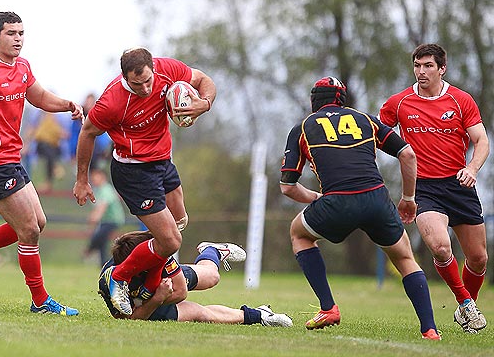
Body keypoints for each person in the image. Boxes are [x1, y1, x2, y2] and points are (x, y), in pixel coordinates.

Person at [280, 76, 440, 340]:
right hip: (376, 199)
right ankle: (430, 329)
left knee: (299, 233)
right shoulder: (365, 119)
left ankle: (328, 307)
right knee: (405, 259)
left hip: (337, 202)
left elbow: (287, 187)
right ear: (343, 99)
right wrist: (409, 198)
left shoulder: (304, 127)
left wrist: (317, 197)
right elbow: (408, 154)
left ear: (313, 100)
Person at [73, 47, 216, 315]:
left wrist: (204, 103)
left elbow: (203, 80)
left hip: (163, 161)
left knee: (178, 225)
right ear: (125, 77)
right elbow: (87, 132)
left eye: (148, 80)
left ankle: (150, 274)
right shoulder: (112, 101)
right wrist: (82, 180)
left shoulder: (168, 70)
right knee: (170, 241)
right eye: (136, 84)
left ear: (153, 68)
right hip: (133, 172)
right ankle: (118, 276)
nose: (145, 88)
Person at [0, 11, 83, 316]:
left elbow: (39, 96)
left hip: (12, 159)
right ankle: (40, 302)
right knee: (29, 230)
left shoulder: (23, 66)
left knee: (37, 223)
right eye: (11, 34)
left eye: (21, 33)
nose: (18, 39)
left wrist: (66, 104)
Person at [379, 43, 489, 334]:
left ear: (442, 68)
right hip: (424, 188)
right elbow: (377, 135)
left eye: (428, 65)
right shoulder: (399, 102)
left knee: (478, 259)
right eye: (417, 65)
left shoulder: (461, 99)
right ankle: (466, 303)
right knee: (440, 247)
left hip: (459, 185)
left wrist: (472, 169)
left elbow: (481, 141)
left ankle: (467, 306)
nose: (421, 71)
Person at [98, 231, 291, 326]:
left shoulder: (158, 253)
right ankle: (261, 315)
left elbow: (181, 291)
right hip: (149, 305)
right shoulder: (110, 282)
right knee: (200, 313)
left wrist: (161, 291)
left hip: (166, 285)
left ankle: (211, 250)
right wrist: (157, 298)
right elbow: (130, 318)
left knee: (212, 277)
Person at [82, 168, 126, 265]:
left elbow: (102, 206)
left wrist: (94, 219)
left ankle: (88, 250)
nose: (93, 179)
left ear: (102, 177)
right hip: (105, 220)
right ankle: (104, 264)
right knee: (102, 242)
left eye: (96, 176)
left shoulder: (106, 189)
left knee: (98, 237)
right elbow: (97, 207)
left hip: (113, 220)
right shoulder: (98, 190)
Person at [32, 111, 67, 194]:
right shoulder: (41, 120)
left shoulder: (55, 121)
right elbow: (37, 134)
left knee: (54, 153)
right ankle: (55, 169)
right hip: (43, 145)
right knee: (49, 155)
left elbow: (60, 133)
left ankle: (55, 170)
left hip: (52, 146)